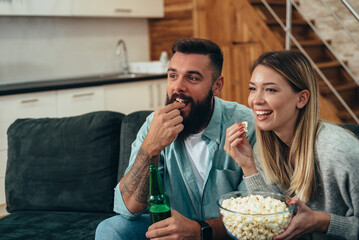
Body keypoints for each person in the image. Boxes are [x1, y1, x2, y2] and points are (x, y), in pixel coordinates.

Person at [95, 38, 256, 240]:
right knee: (112, 229)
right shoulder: (153, 125)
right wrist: (151, 147)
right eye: (173, 75)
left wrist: (200, 230)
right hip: (173, 233)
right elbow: (128, 208)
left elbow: (256, 216)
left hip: (225, 234)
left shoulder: (246, 125)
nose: (178, 87)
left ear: (217, 86)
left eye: (192, 78)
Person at [224, 50, 359, 240]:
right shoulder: (263, 150)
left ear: (301, 99)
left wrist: (323, 221)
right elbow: (272, 220)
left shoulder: (338, 151)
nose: (256, 100)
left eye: (270, 89)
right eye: (253, 88)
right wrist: (248, 167)